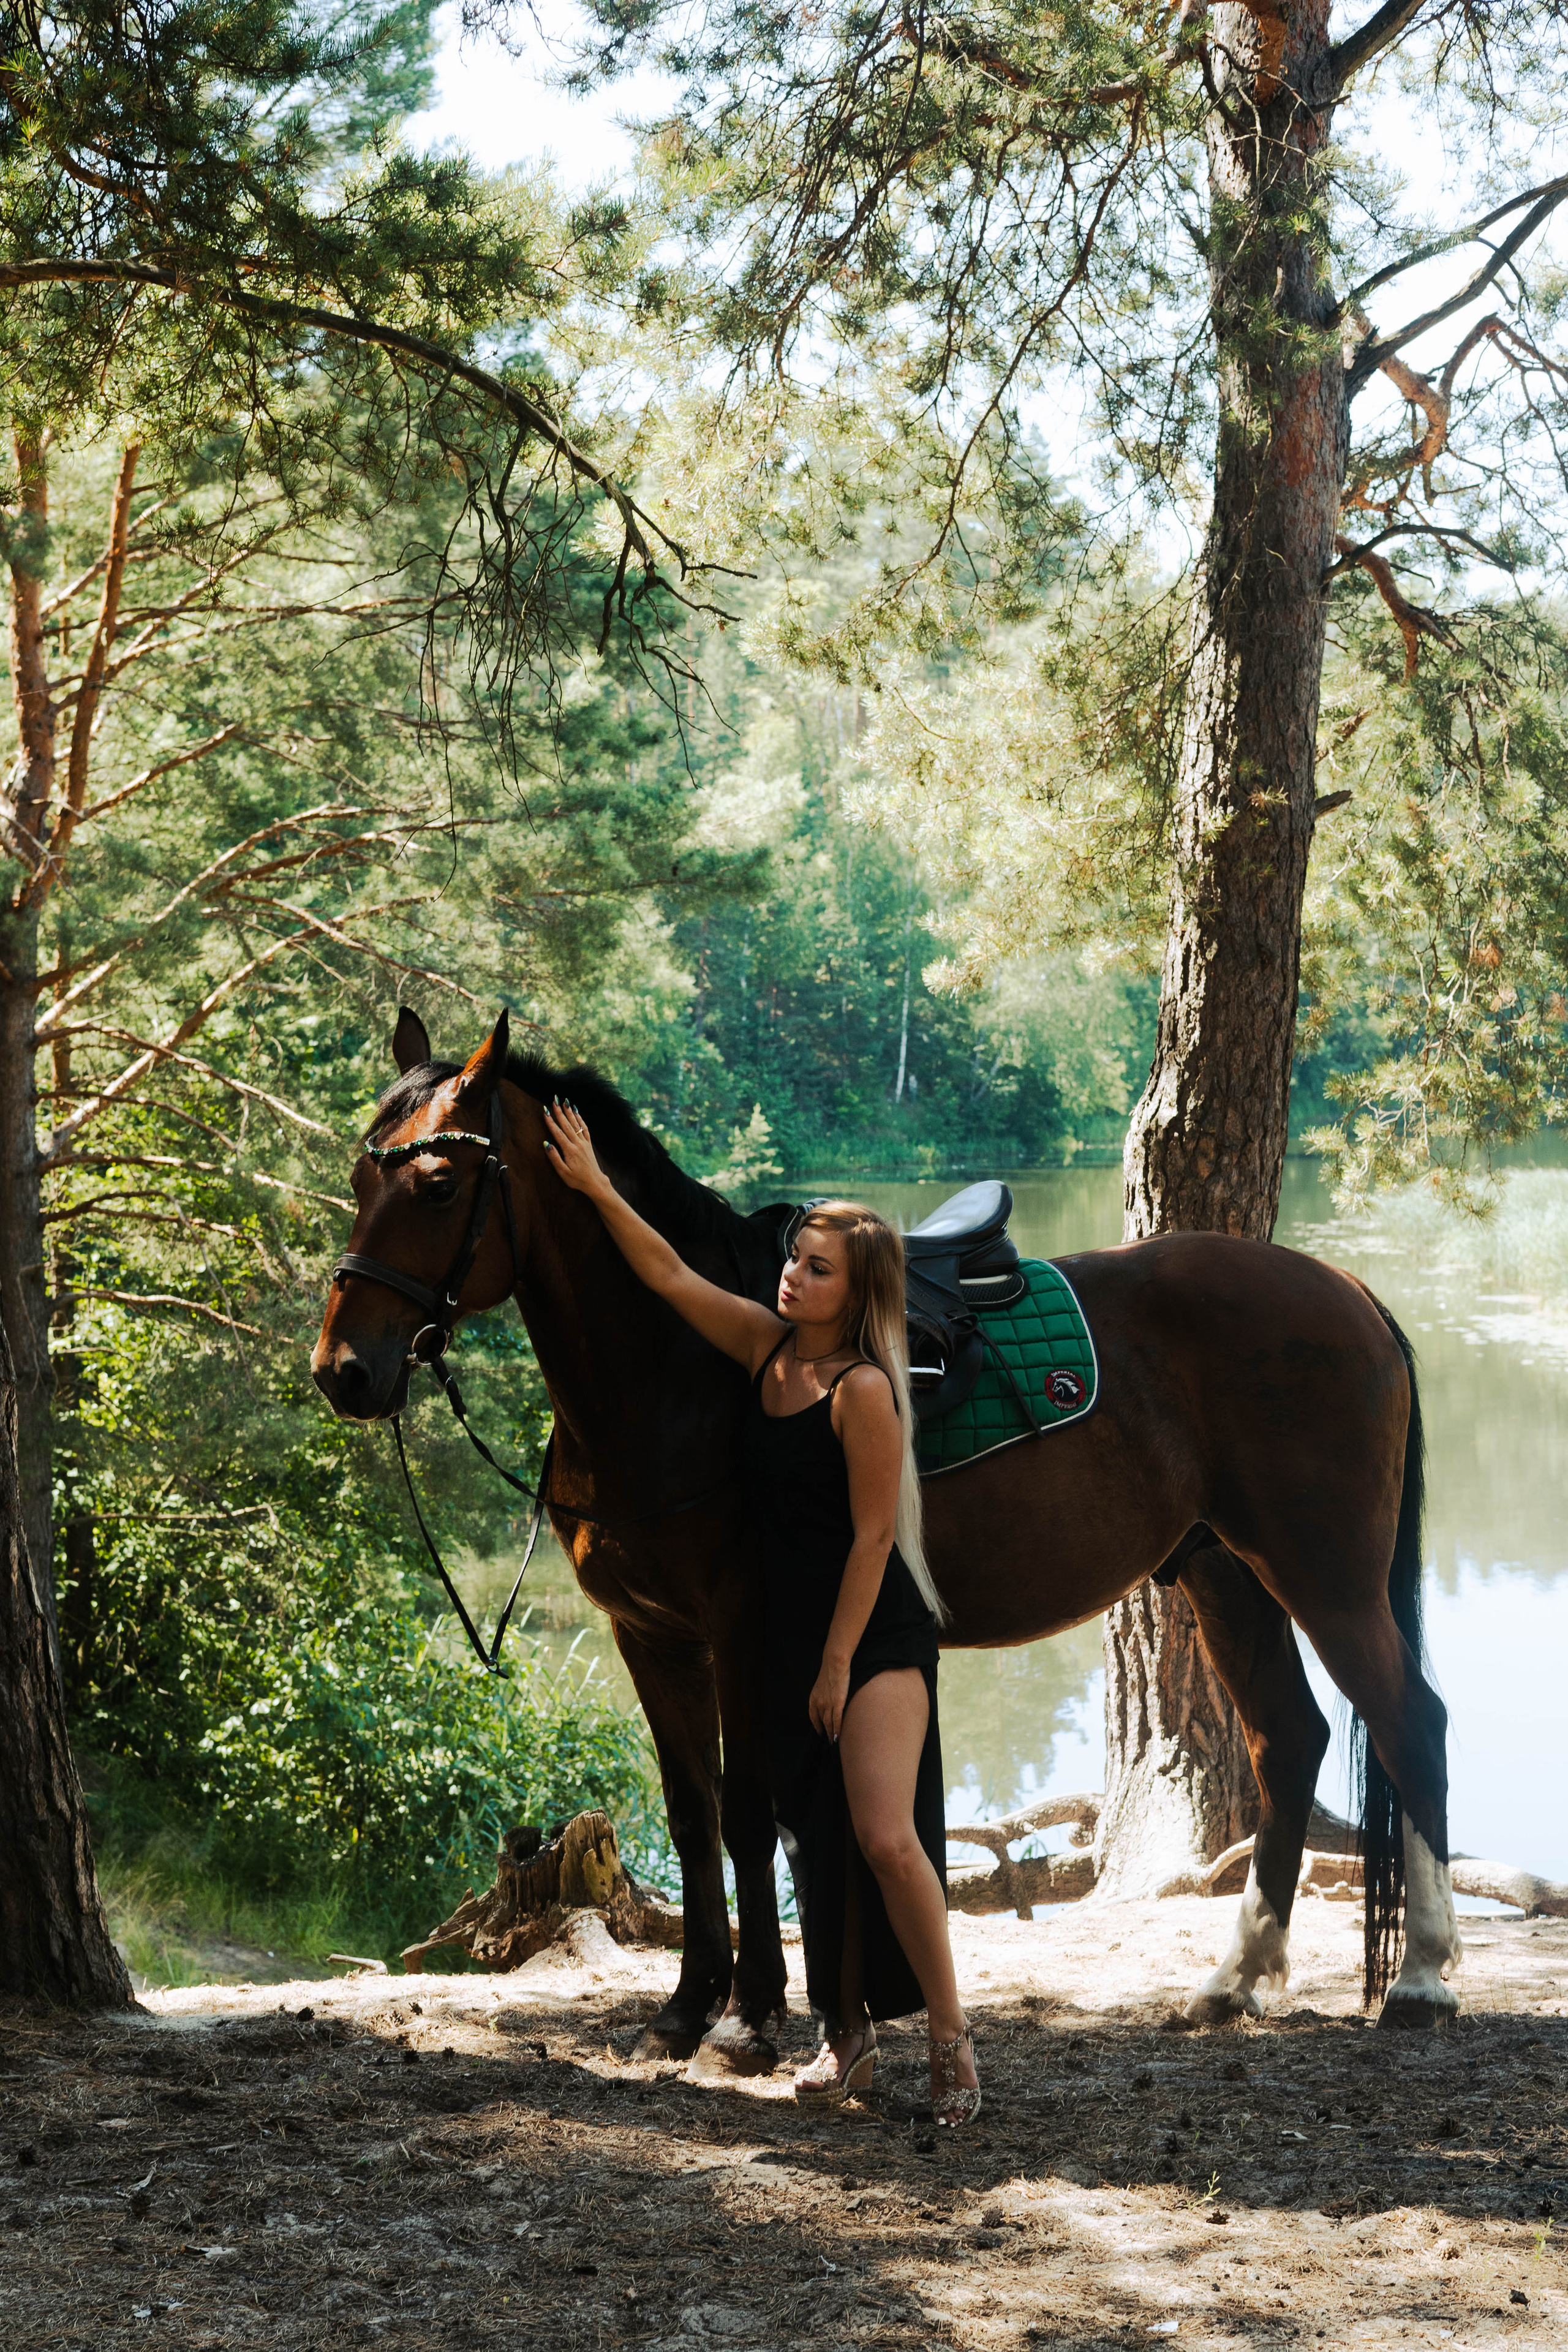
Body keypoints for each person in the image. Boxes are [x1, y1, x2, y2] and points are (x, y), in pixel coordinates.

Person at [542, 1098, 981, 2128]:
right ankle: (848, 2038)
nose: (793, 1273)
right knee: (813, 1843)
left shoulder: (863, 1389)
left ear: (857, 1288)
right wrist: (597, 1185)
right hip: (792, 1637)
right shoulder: (766, 1351)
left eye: (818, 1268)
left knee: (882, 1838)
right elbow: (669, 1276)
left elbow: (875, 1541)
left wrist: (833, 1665)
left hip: (870, 1635)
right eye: (794, 1256)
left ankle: (955, 2042)